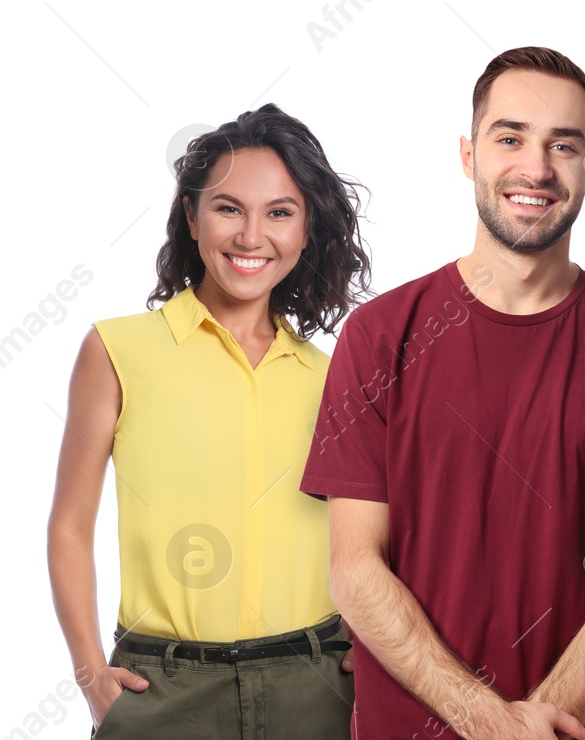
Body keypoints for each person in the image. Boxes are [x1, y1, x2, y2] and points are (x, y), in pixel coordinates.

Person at [300, 46, 585, 740]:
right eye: (510, 138)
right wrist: (489, 720)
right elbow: (355, 569)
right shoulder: (379, 336)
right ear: (470, 154)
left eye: (562, 146)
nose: (534, 169)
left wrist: (537, 727)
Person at [48, 103, 371, 739]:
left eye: (280, 212)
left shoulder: (333, 376)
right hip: (161, 691)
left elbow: (371, 533)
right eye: (229, 208)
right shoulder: (116, 351)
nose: (252, 236)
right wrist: (91, 677)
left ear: (308, 232)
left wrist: (373, 646)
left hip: (316, 688)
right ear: (191, 217)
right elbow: (67, 526)